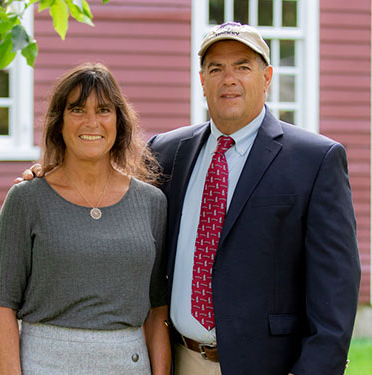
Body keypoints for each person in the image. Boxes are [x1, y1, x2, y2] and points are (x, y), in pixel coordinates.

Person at [19, 23, 361, 375]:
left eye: (242, 66)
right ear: (202, 80)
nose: (228, 79)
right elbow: (109, 190)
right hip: (180, 359)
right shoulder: (166, 152)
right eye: (216, 68)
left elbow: (335, 290)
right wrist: (52, 175)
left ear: (267, 77)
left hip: (269, 365)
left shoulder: (315, 160)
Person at [0, 63, 171, 375]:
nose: (91, 122)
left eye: (103, 110)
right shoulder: (26, 199)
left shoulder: (151, 203)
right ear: (60, 123)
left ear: (119, 121)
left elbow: (157, 313)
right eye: (76, 109)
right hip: (44, 365)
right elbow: (2, 306)